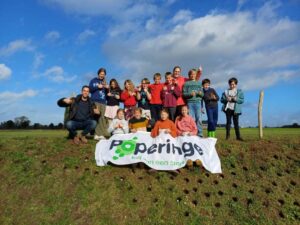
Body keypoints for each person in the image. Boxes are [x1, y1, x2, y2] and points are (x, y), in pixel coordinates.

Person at [89, 68, 110, 140]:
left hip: (103, 102)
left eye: (103, 74)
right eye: (101, 74)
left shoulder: (105, 82)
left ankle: (100, 134)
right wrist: (97, 86)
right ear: (98, 74)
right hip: (95, 101)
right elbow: (90, 89)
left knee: (102, 118)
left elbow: (107, 94)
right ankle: (95, 134)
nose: (102, 75)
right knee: (96, 117)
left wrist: (107, 88)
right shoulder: (93, 80)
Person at [183, 69, 204, 137]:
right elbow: (184, 94)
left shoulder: (199, 83)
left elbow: (202, 95)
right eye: (191, 74)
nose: (192, 75)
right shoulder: (186, 84)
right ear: (189, 75)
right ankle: (192, 133)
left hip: (198, 102)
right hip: (190, 103)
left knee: (199, 119)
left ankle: (200, 133)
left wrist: (200, 94)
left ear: (196, 75)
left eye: (194, 74)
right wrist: (190, 94)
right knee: (191, 119)